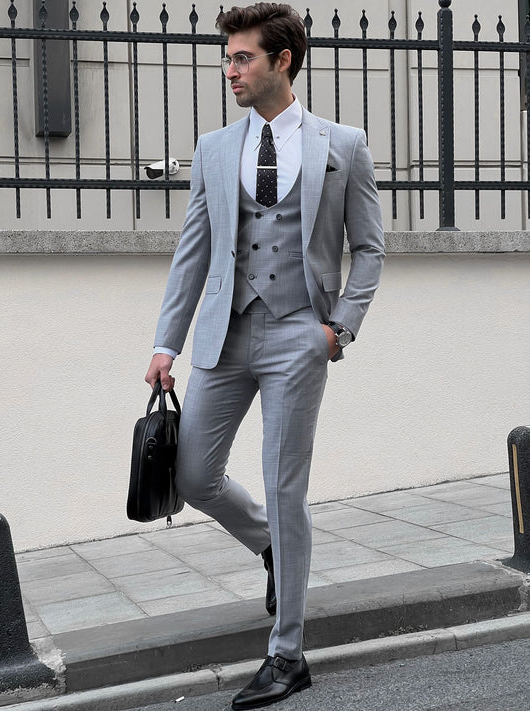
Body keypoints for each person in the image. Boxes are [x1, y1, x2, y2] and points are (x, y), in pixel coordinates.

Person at [145, 3, 384, 708]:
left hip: (297, 338)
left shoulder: (343, 144)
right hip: (224, 333)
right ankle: (274, 548)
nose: (230, 70)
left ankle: (287, 653)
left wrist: (336, 328)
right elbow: (192, 252)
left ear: (282, 60)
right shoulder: (216, 148)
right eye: (228, 58)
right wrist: (166, 341)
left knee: (285, 488)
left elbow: (368, 248)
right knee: (192, 473)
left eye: (242, 57)